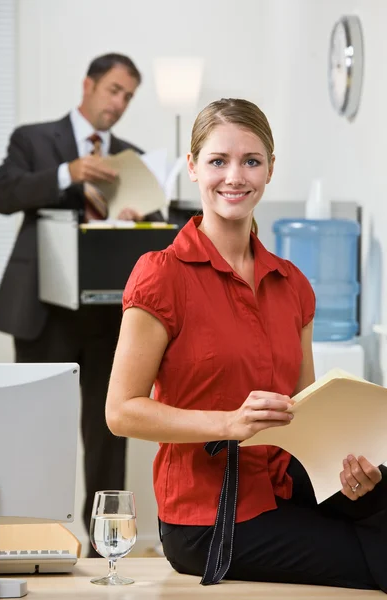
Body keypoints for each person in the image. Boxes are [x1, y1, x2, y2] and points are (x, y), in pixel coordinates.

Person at [105, 97, 387, 591]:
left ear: (270, 169)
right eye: (218, 161)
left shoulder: (292, 283)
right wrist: (229, 424)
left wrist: (347, 470)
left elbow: (305, 415)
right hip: (207, 515)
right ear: (192, 167)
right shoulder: (161, 276)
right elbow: (121, 411)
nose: (234, 177)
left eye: (251, 161)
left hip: (284, 483)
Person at [0, 52, 162, 556]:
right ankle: (36, 541)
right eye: (113, 90)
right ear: (88, 84)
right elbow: (1, 195)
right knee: (41, 430)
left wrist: (135, 219)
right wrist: (67, 172)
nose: (120, 103)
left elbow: (151, 234)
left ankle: (105, 545)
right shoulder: (34, 139)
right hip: (45, 311)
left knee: (111, 430)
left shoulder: (132, 157)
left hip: (111, 315)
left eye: (128, 96)